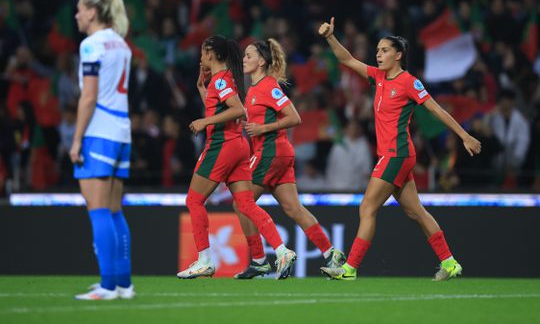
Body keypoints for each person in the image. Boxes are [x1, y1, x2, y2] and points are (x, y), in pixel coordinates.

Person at [318, 18, 482, 281]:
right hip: (395, 156)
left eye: (384, 51)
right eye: (378, 51)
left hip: (396, 154)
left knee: (367, 208)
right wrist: (330, 38)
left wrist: (464, 135)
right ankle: (449, 262)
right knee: (415, 211)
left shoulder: (408, 82)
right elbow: (347, 59)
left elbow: (436, 109)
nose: (379, 55)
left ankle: (349, 268)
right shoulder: (379, 77)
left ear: (398, 55)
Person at [176, 35, 296, 280]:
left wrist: (204, 122)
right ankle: (281, 251)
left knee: (194, 200)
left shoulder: (221, 81)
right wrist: (202, 88)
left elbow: (238, 110)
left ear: (211, 53)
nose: (200, 57)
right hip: (239, 146)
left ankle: (204, 260)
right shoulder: (222, 80)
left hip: (222, 145)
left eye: (202, 51)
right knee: (245, 204)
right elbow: (221, 109)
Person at [231, 39, 346, 279]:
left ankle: (266, 258)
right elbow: (261, 120)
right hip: (279, 154)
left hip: (270, 152)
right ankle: (330, 253)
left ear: (261, 61)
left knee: (241, 202)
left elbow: (294, 117)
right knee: (294, 208)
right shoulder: (253, 90)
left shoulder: (268, 87)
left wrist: (262, 129)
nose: (244, 59)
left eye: (249, 55)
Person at [70, 0, 134, 300]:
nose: (77, 16)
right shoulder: (121, 44)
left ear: (93, 12)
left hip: (99, 132)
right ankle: (124, 284)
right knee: (114, 210)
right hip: (122, 132)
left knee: (98, 211)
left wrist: (77, 138)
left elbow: (89, 96)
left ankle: (107, 286)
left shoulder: (91, 45)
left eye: (80, 10)